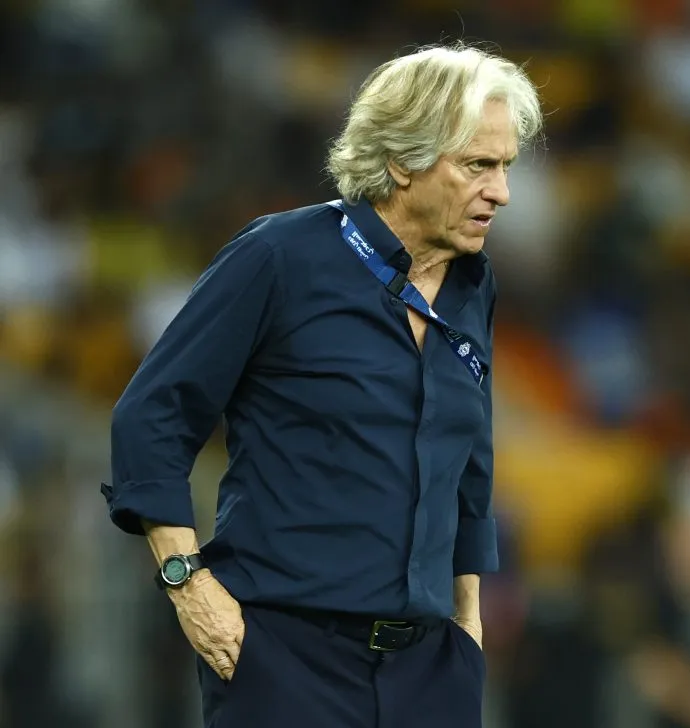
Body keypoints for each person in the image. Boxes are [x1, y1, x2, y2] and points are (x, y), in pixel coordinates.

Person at [100, 43, 543, 728]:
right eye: (478, 165)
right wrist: (190, 587)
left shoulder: (472, 286)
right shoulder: (278, 257)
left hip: (430, 674)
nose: (502, 191)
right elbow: (151, 417)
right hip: (286, 661)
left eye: (506, 166)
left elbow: (469, 474)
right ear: (402, 160)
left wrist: (467, 631)